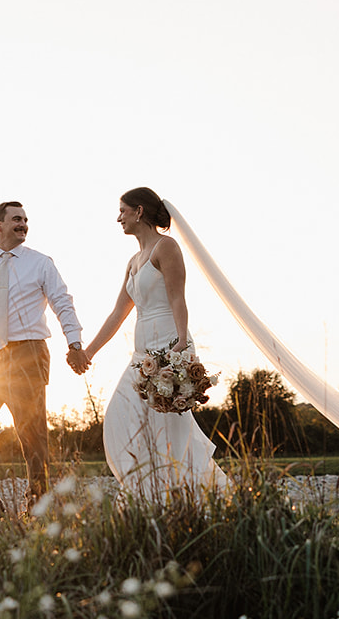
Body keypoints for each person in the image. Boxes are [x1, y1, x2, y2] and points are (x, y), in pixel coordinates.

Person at [76, 187, 229, 501]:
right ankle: (147, 495)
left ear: (139, 211)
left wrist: (182, 344)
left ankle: (181, 499)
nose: (118, 217)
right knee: (119, 418)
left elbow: (177, 297)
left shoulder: (166, 247)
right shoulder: (133, 261)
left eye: (122, 210)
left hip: (169, 346)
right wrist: (88, 352)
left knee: (168, 433)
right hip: (141, 355)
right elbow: (119, 312)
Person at [0, 201, 88, 517]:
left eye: (26, 220)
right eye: (16, 219)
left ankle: (39, 504)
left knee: (32, 438)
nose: (23, 224)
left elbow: (62, 303)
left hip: (30, 353)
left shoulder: (41, 263)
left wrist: (75, 342)